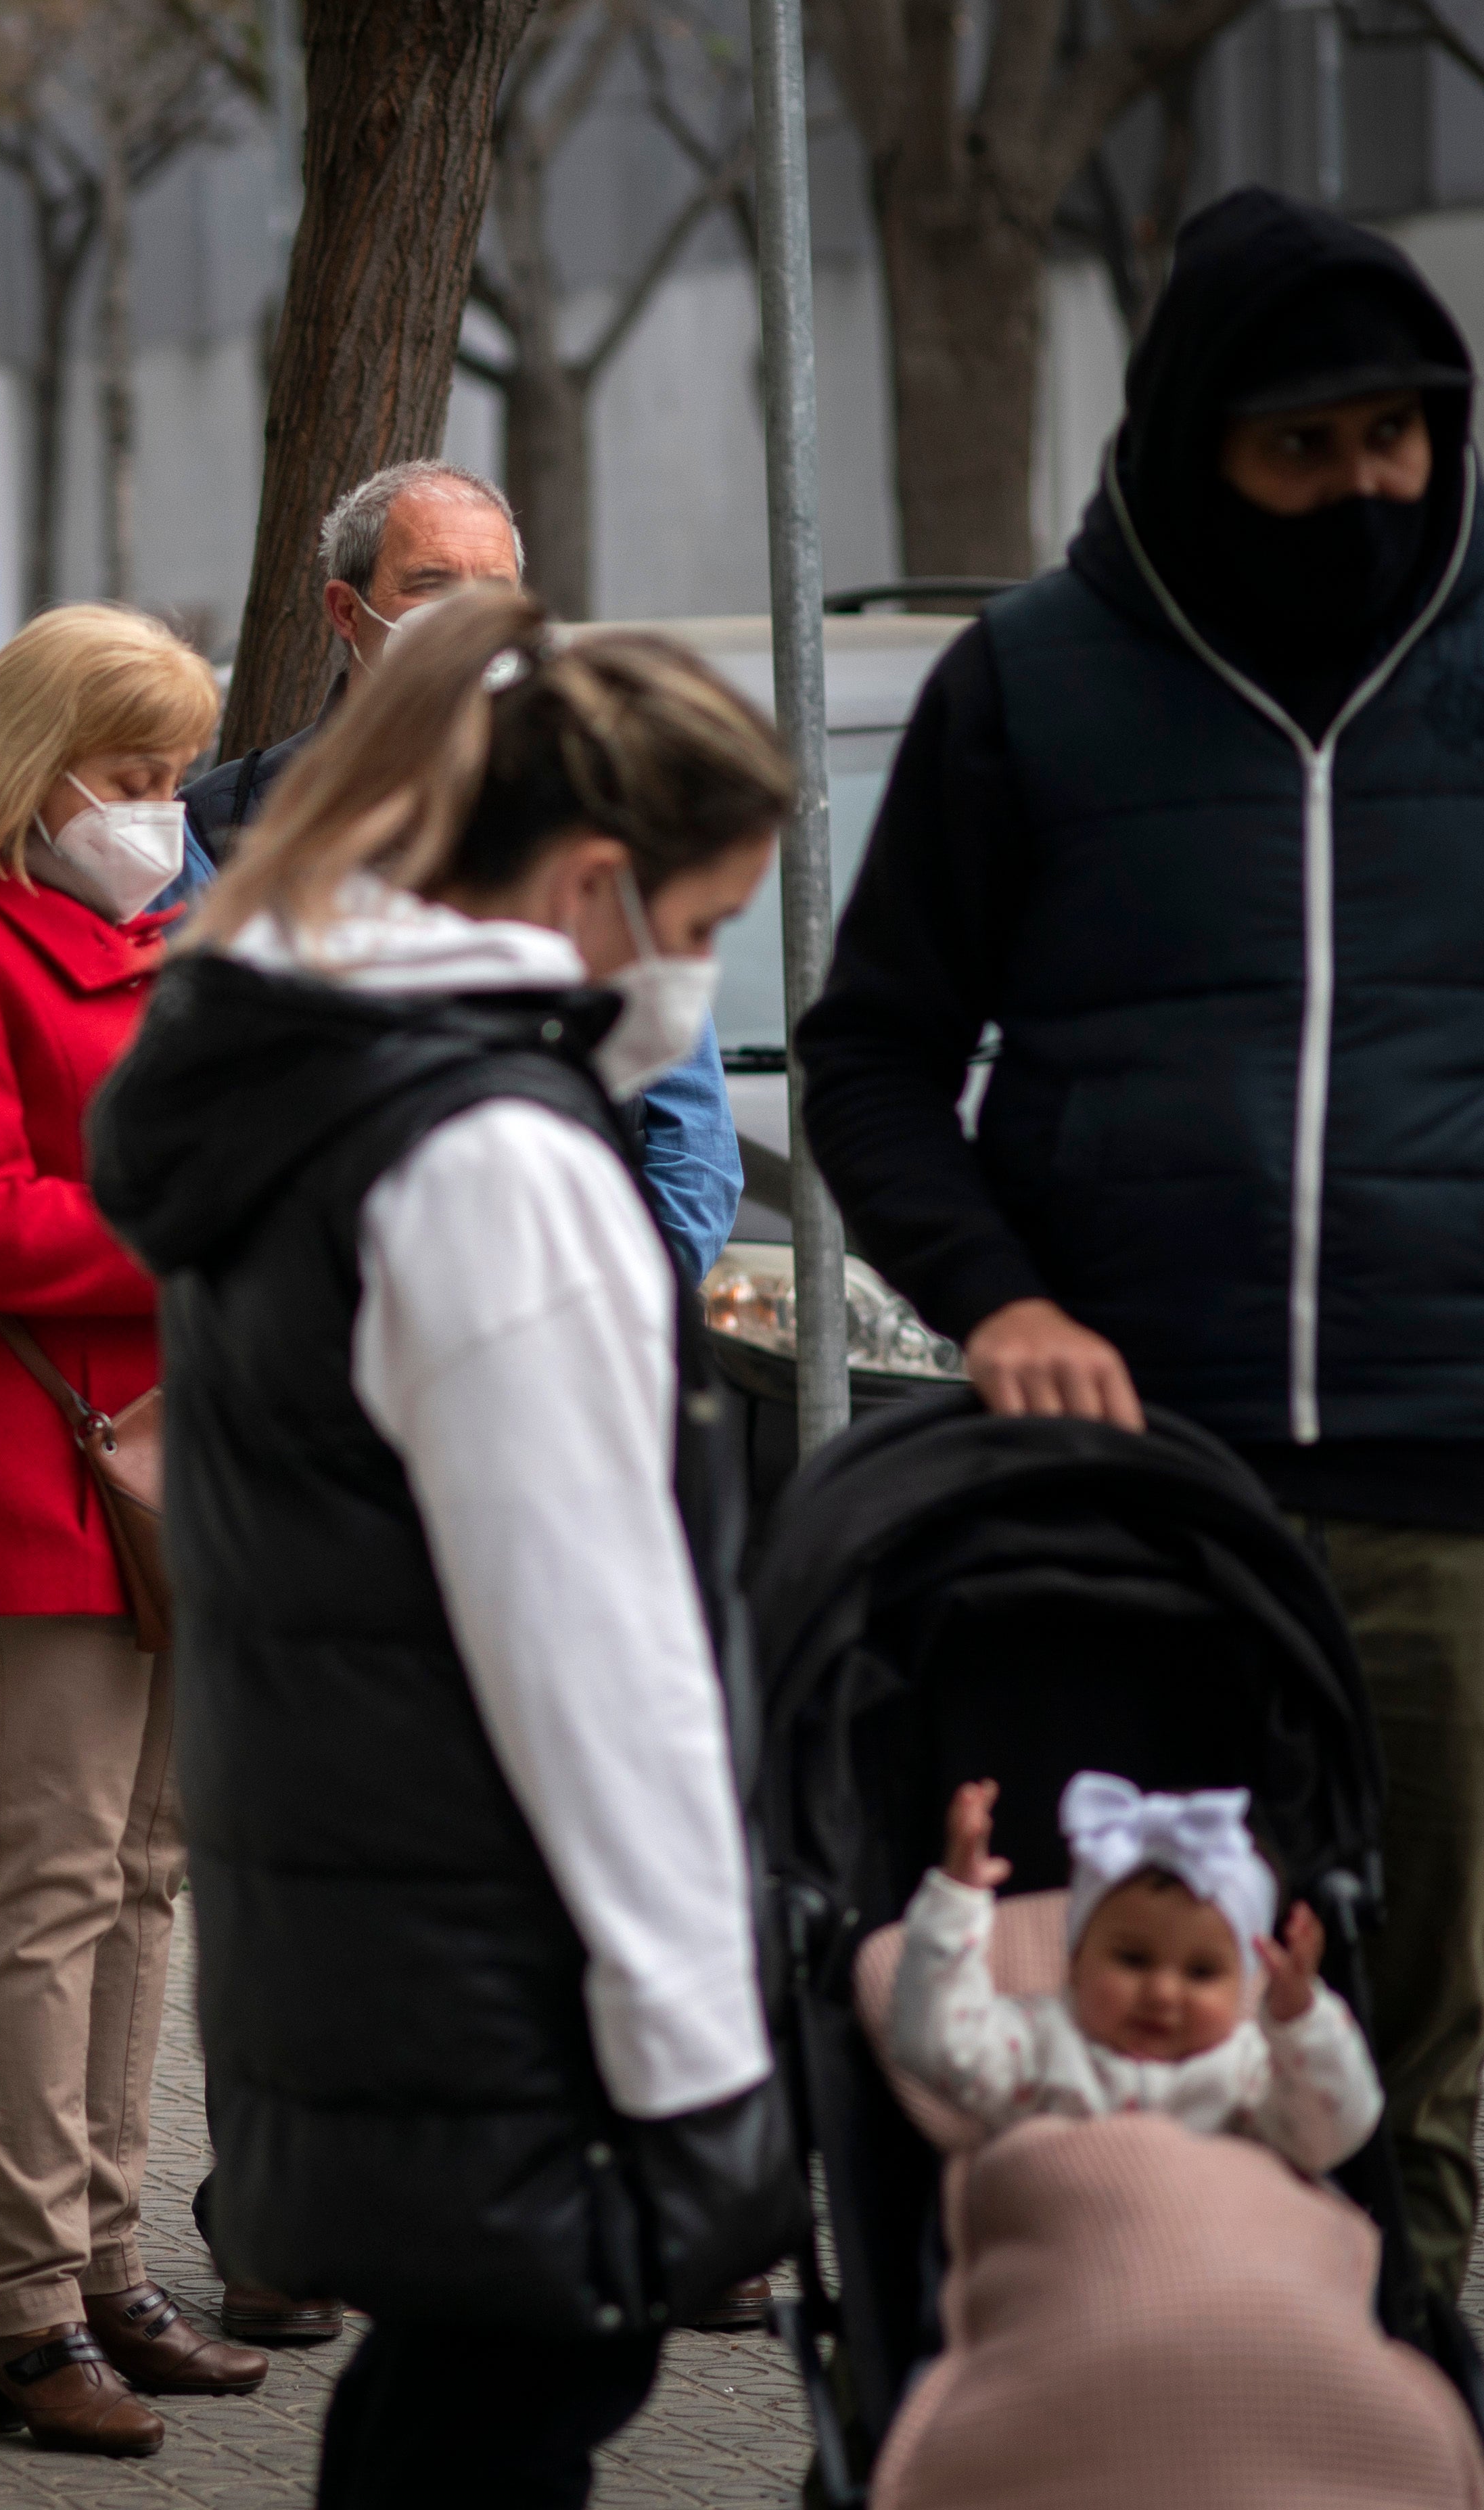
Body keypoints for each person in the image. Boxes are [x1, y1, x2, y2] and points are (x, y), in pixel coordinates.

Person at [795, 187, 1484, 2300]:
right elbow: (873, 1052)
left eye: (1402, 438)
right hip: (1122, 1512)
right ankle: (1115, 2382)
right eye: (1309, 446)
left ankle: (1399, 2390)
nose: (1365, 487)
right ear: (1197, 434)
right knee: (1122, 2013)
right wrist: (996, 1294)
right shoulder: (1029, 684)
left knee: (1417, 2045)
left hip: (1442, 1484)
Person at [92, 590, 799, 2503]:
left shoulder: (324, 1091)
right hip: (514, 1964)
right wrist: (702, 2048)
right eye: (710, 925)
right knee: (495, 2425)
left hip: (390, 1935)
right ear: (590, 883)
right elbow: (598, 1650)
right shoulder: (494, 1160)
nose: (703, 986)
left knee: (448, 2426)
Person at [0, 606, 262, 2459]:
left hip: (175, 1448)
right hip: (30, 1453)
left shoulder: (165, 935)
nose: (161, 811)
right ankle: (17, 2302)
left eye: (177, 777)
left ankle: (108, 2258)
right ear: (34, 765)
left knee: (145, 1874)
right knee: (47, 1881)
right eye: (133, 775)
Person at [185, 459, 744, 1286]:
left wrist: (627, 1297)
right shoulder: (229, 823)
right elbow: (203, 1105)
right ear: (348, 611)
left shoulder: (591, 806)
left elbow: (687, 1123)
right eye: (430, 584)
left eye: (496, 588)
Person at [895, 1773, 1376, 2172]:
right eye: (1132, 1960)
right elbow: (939, 2045)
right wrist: (955, 1903)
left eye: (1202, 1972)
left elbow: (1334, 2131)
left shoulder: (1249, 2075)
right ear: (1077, 1961)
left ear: (1246, 1985)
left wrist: (1301, 2020)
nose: (1163, 1993)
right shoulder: (1037, 2045)